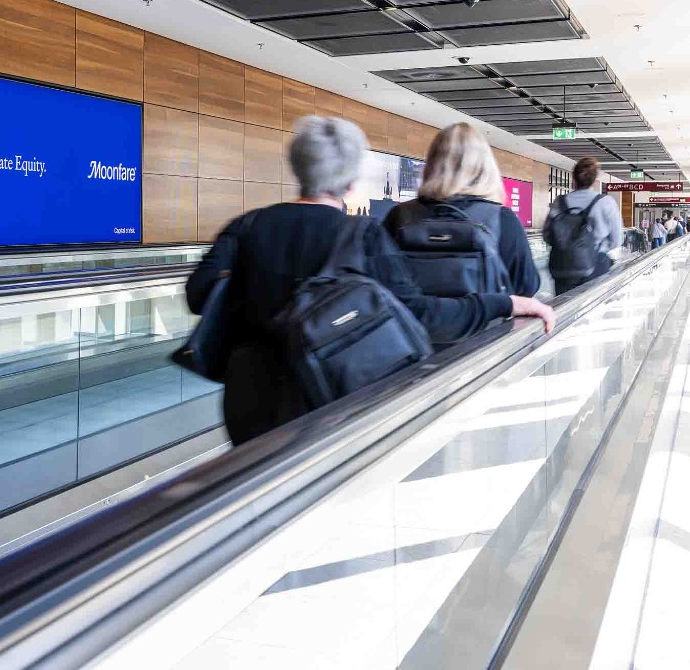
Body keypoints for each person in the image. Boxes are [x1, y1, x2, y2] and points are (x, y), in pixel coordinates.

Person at [187, 116, 556, 446]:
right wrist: (506, 303)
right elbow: (421, 315)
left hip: (247, 396)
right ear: (350, 181)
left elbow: (199, 295)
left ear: (298, 168)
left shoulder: (247, 225)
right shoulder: (362, 236)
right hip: (327, 391)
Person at [383, 123, 540, 298]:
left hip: (410, 324)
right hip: (485, 324)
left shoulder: (399, 216)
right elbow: (527, 285)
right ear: (485, 168)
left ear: (432, 164)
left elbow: (381, 279)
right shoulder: (501, 219)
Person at [543, 157, 623, 293]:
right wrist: (596, 249)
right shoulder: (606, 202)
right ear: (594, 180)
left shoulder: (559, 202)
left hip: (563, 267)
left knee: (564, 308)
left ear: (574, 179)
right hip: (595, 266)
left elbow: (547, 235)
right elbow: (617, 240)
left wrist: (566, 246)